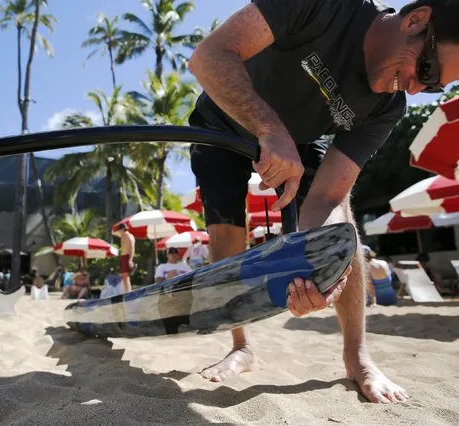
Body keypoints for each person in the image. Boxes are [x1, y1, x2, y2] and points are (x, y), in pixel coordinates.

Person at [187, 0, 459, 403]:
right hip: (223, 114)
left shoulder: (388, 105)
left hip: (297, 137)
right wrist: (267, 127)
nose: (418, 89)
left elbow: (329, 194)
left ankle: (357, 355)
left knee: (341, 231)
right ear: (416, 20)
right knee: (226, 229)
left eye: (433, 87)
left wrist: (316, 272)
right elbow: (208, 57)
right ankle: (241, 345)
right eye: (427, 70)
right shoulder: (327, 6)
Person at [116, 223, 136, 293]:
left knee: (126, 276)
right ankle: (127, 291)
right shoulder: (123, 236)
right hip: (124, 257)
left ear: (122, 229)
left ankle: (128, 292)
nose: (119, 232)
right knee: (124, 277)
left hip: (127, 257)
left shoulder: (128, 236)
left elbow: (132, 248)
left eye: (119, 230)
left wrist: (130, 259)